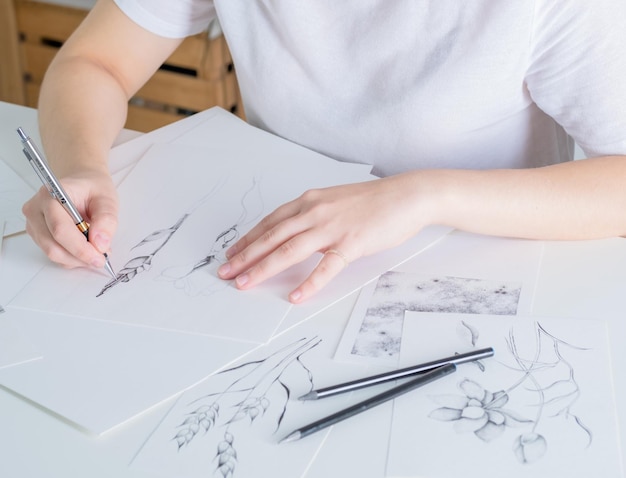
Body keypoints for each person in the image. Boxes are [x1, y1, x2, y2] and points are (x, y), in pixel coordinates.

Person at [22, 0, 626, 304]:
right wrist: (80, 164)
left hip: (477, 279)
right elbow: (93, 63)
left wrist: (424, 195)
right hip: (267, 272)